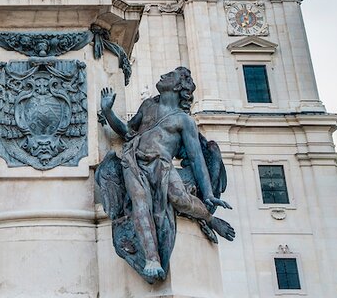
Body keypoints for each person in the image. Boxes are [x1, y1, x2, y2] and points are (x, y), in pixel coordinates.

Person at [96, 67, 235, 283]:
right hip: (133, 160)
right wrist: (108, 111)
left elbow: (197, 158)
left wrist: (208, 194)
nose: (162, 76)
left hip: (162, 164)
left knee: (180, 199)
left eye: (168, 76)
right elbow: (126, 131)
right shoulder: (148, 105)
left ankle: (210, 219)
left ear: (178, 85)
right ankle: (152, 259)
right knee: (140, 203)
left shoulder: (183, 121)